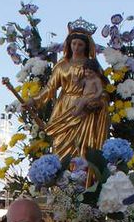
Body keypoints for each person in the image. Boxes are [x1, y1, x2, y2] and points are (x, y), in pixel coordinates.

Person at [29, 25, 109, 159]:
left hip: (85, 111)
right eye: (74, 43)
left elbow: (103, 89)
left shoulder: (91, 66)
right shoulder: (62, 65)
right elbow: (50, 88)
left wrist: (97, 101)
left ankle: (80, 176)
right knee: (59, 145)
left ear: (86, 47)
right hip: (64, 108)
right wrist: (33, 100)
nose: (76, 48)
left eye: (80, 44)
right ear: (69, 44)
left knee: (81, 148)